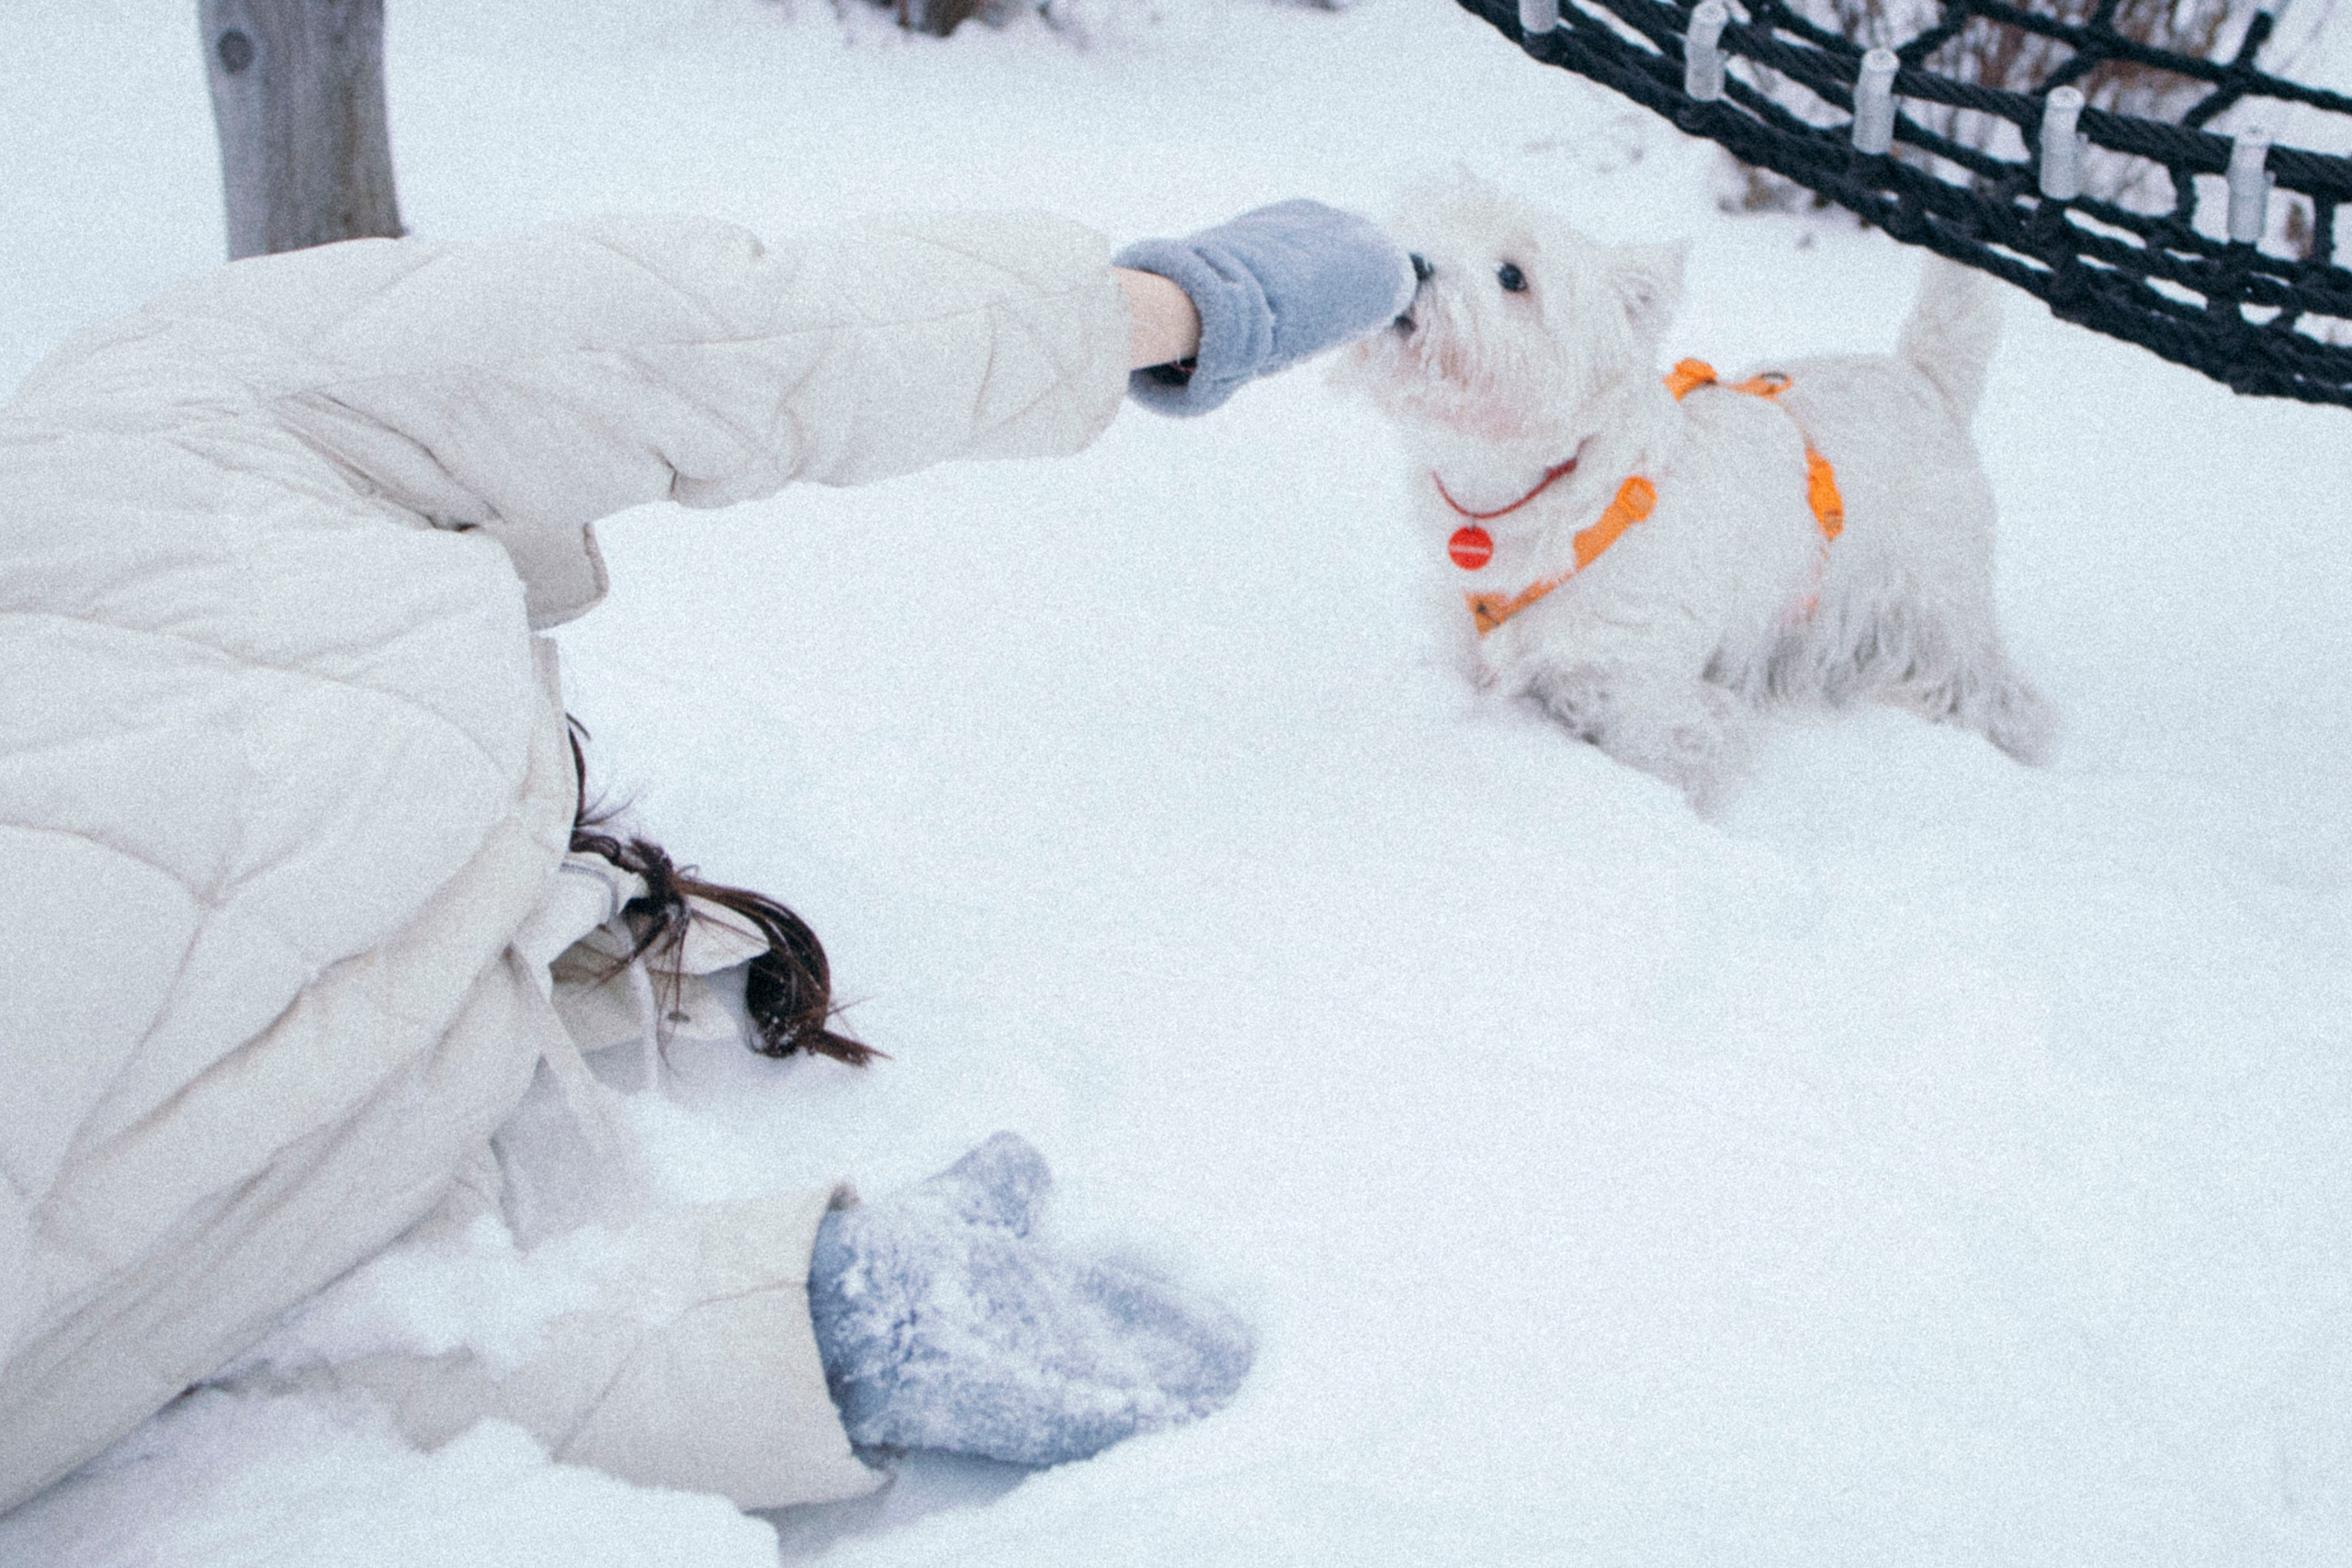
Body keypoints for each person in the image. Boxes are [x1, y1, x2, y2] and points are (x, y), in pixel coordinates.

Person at [0, 198, 1414, 1514]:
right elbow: (702, 338)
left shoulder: (163, 482)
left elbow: (223, 1324)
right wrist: (1154, 309)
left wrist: (810, 1322)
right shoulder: (141, 418)